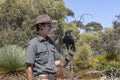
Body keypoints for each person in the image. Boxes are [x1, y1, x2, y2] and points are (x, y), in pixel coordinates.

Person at [25, 14, 63, 80]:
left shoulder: (51, 43)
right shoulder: (33, 44)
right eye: (48, 25)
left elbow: (58, 61)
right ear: (40, 26)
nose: (51, 27)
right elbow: (29, 69)